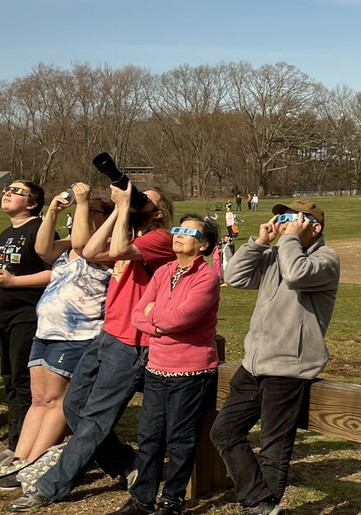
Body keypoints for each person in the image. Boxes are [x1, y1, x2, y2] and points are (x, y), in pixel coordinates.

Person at [10, 183, 175, 511]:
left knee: (97, 416)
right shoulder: (128, 232)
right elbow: (88, 251)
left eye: (145, 201)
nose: (137, 201)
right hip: (108, 334)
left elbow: (103, 254)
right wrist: (119, 211)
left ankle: (51, 487)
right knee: (73, 407)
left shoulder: (162, 239)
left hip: (133, 341)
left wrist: (125, 208)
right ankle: (129, 462)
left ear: (158, 211)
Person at [0, 186, 114, 488]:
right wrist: (52, 211)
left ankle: (33, 464)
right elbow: (42, 250)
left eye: (88, 212)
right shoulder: (68, 248)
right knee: (39, 399)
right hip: (46, 330)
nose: (80, 215)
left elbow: (83, 243)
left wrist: (85, 202)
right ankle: (18, 459)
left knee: (55, 400)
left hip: (77, 334)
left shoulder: (107, 247)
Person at [211, 200, 339, 515]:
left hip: (288, 366)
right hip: (254, 362)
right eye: (282, 217)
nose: (284, 223)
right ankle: (260, 503)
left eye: (293, 219)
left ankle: (260, 507)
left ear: (315, 227)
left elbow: (296, 275)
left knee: (273, 447)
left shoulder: (326, 259)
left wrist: (289, 240)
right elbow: (235, 277)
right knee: (223, 431)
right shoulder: (275, 255)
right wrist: (258, 243)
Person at [111, 215, 221, 515]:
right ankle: (142, 499)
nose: (179, 235)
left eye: (188, 232)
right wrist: (158, 318)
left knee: (180, 439)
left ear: (204, 245)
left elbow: (180, 319)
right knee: (149, 436)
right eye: (178, 229)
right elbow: (137, 313)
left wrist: (154, 317)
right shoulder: (163, 271)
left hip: (191, 371)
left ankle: (172, 501)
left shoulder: (206, 278)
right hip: (157, 367)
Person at [0, 181, 54, 467]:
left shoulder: (38, 230)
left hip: (26, 315)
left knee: (24, 384)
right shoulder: (6, 232)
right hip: (3, 316)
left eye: (17, 191)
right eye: (7, 189)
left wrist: (14, 282)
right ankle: (15, 441)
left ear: (33, 203)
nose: (7, 193)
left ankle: (23, 446)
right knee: (9, 381)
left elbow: (53, 273)